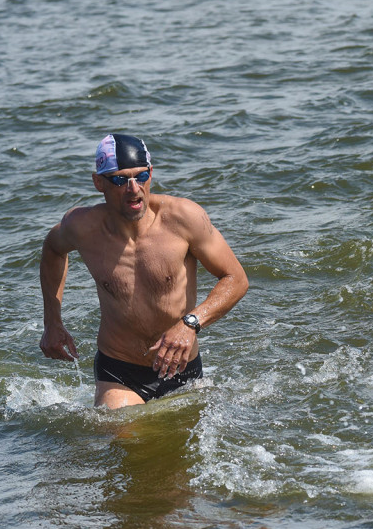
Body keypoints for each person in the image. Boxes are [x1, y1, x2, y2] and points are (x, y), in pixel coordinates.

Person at [40, 134, 249, 409]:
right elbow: (53, 250)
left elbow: (236, 278)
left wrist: (191, 324)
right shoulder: (82, 227)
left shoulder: (183, 219)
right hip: (119, 369)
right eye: (119, 179)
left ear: (151, 174)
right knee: (125, 433)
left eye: (141, 176)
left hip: (181, 367)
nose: (133, 188)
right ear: (98, 183)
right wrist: (52, 322)